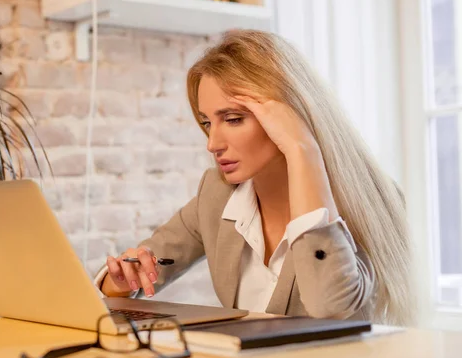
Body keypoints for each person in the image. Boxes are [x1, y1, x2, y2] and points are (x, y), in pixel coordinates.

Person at [95, 30, 414, 326]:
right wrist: (122, 280)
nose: (213, 143)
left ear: (292, 113)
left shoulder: (368, 199)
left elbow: (331, 308)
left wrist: (302, 149)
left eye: (233, 119)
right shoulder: (217, 195)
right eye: (207, 122)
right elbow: (142, 266)